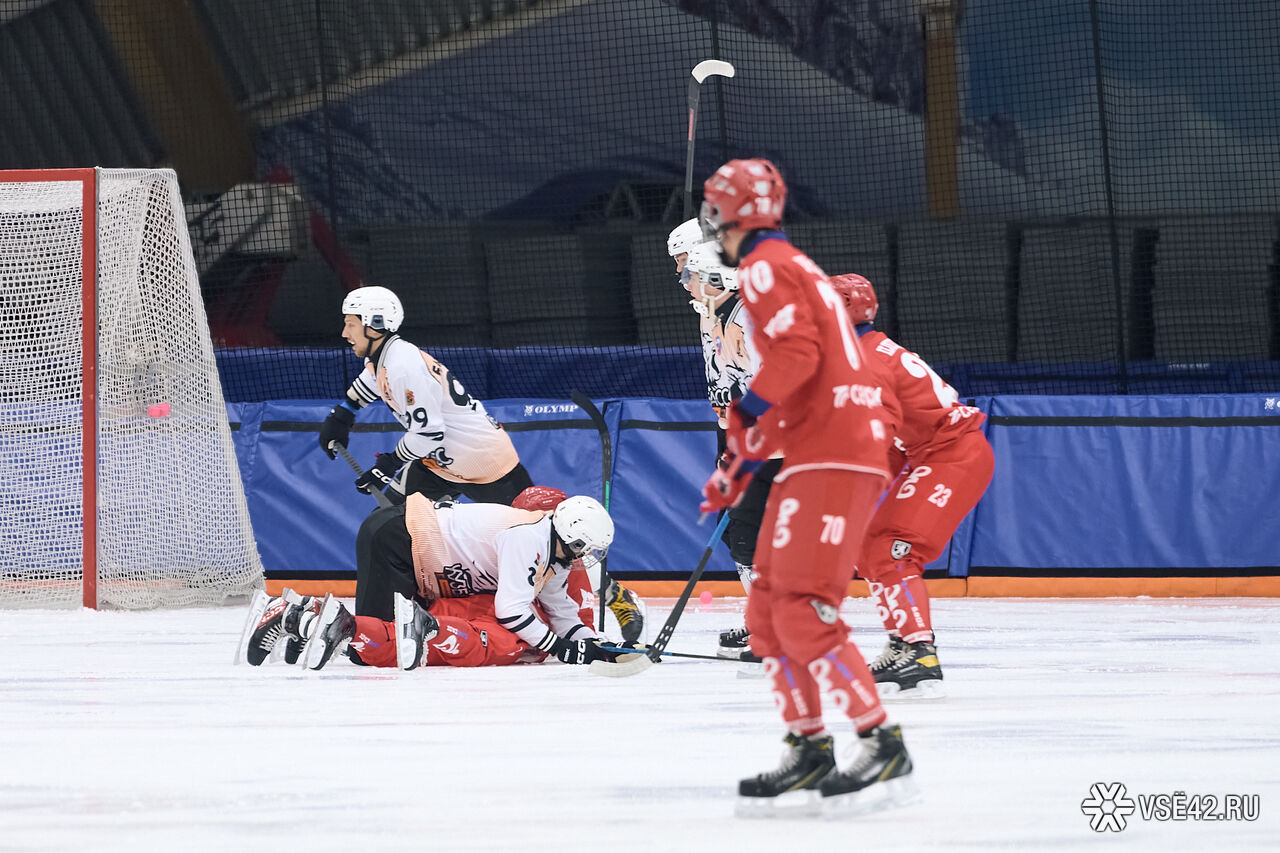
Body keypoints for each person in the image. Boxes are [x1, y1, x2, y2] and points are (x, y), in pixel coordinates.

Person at [698, 158, 917, 818]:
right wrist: (741, 462)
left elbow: (796, 358)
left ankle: (879, 740)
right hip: (820, 449)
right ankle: (809, 746)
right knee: (767, 609)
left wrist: (743, 421)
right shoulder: (788, 267)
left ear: (729, 213)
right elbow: (804, 381)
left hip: (835, 455)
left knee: (797, 607)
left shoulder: (763, 268)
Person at [315, 285, 644, 642]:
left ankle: (614, 594)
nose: (344, 332)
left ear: (375, 325)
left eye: (351, 324)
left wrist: (388, 464)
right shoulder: (387, 359)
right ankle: (404, 614)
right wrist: (342, 414)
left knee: (553, 537)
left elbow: (429, 433)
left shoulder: (403, 365)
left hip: (486, 462)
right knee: (389, 527)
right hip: (439, 463)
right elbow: (370, 382)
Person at [829, 274, 994, 698]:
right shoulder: (867, 350)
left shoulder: (864, 363)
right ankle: (903, 645)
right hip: (936, 453)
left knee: (892, 548)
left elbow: (877, 433)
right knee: (870, 547)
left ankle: (920, 651)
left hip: (953, 455)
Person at [238, 491, 625, 671]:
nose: (585, 559)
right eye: (586, 549)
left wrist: (595, 643)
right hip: (398, 541)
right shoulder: (529, 538)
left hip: (410, 547)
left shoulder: (553, 556)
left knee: (381, 640)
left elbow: (562, 614)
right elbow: (511, 611)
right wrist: (561, 648)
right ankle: (294, 615)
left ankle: (302, 619)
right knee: (370, 649)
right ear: (573, 538)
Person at [666, 225, 777, 662]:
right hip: (744, 431)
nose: (681, 278)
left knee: (754, 528)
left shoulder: (753, 315)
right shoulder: (715, 310)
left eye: (685, 267)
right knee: (742, 530)